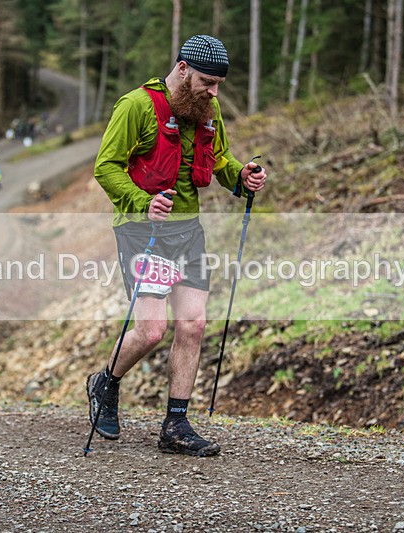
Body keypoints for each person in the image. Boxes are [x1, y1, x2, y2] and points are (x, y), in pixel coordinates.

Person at [88, 35, 267, 457]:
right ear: (183, 69)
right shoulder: (135, 106)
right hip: (142, 230)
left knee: (194, 324)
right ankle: (105, 383)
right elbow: (105, 167)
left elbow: (218, 160)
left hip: (187, 232)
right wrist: (141, 201)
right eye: (207, 82)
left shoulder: (209, 108)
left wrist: (241, 175)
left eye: (219, 84)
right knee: (151, 330)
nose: (214, 92)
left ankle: (176, 425)